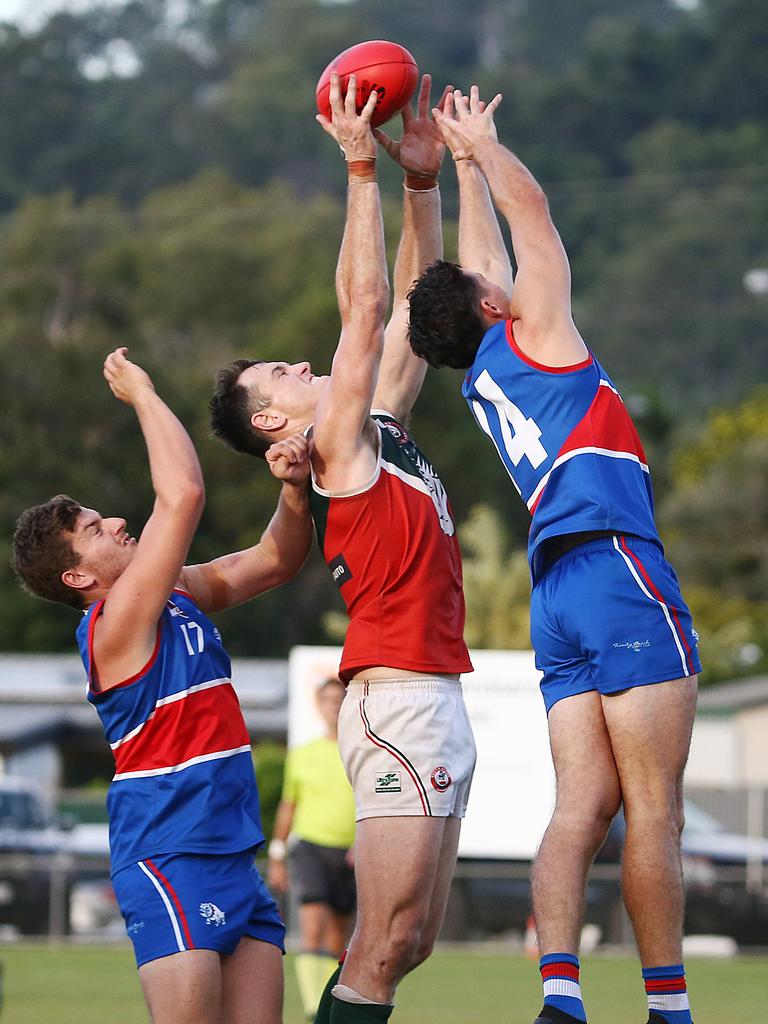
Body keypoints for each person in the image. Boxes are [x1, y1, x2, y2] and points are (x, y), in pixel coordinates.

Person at [407, 88, 701, 1024]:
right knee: (654, 811)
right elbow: (530, 224)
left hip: (555, 591)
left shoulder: (486, 371)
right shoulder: (541, 336)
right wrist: (490, 151)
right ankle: (669, 1010)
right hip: (616, 568)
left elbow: (484, 261)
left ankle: (561, 999)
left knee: (581, 807)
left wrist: (457, 166)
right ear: (496, 305)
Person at [210, 74, 476, 1024]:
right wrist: (358, 166)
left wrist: (417, 185)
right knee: (380, 939)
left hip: (431, 691)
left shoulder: (376, 427)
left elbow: (412, 312)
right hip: (396, 698)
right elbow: (363, 310)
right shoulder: (335, 448)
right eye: (278, 373)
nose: (299, 360)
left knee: (411, 941)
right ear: (275, 418)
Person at [11, 348, 313, 1024]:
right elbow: (183, 494)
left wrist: (294, 490)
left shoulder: (176, 594)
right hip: (170, 852)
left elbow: (276, 560)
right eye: (95, 530)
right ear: (79, 578)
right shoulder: (113, 626)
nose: (117, 522)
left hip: (233, 852)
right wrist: (143, 393)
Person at [268, 677, 356, 1022]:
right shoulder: (302, 754)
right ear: (319, 706)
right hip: (311, 847)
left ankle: (329, 1004)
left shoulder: (359, 750)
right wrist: (276, 854)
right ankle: (310, 1007)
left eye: (339, 699)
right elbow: (288, 806)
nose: (334, 705)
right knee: (312, 924)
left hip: (349, 852)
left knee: (338, 936)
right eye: (328, 700)